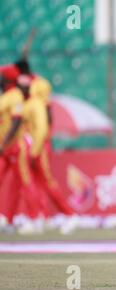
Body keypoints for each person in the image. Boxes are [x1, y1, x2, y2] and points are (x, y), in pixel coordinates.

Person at [15, 58, 79, 234]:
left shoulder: (37, 101)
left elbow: (43, 126)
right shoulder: (25, 103)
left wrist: (35, 151)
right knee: (32, 183)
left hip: (38, 147)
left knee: (46, 182)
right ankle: (38, 217)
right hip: (29, 146)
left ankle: (68, 214)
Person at [0, 70, 42, 234]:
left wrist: (4, 143)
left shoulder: (16, 95)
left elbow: (16, 121)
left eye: (2, 77)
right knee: (11, 185)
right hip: (4, 148)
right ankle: (8, 219)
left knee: (26, 182)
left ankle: (34, 219)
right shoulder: (5, 96)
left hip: (15, 146)